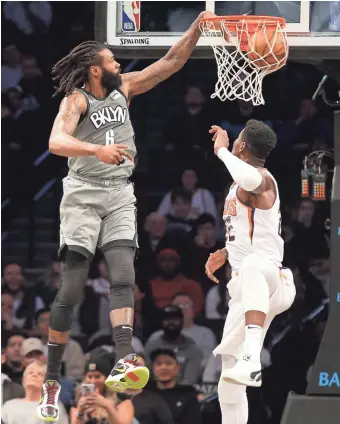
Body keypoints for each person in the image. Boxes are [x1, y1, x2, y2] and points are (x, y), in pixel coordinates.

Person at [38, 9, 215, 421]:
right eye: (112, 61)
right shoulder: (76, 100)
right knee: (72, 290)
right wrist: (96, 150)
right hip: (82, 194)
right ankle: (50, 378)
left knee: (124, 276)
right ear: (95, 70)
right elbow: (55, 141)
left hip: (119, 192)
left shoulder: (126, 88)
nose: (119, 65)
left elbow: (171, 62)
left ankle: (124, 358)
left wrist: (197, 27)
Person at [204, 121, 296, 424]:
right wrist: (226, 251)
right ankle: (245, 363)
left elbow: (249, 177)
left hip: (272, 279)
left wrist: (220, 151)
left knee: (255, 265)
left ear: (241, 146)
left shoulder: (263, 179)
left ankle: (252, 357)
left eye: (236, 140)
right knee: (228, 378)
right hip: (246, 289)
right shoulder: (241, 185)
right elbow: (249, 230)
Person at [145, 305, 203, 385]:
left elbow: (190, 379)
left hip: (183, 393)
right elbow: (147, 374)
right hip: (155, 392)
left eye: (175, 319)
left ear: (182, 322)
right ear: (162, 322)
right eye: (167, 320)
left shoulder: (192, 348)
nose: (171, 323)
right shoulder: (152, 346)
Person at [70, 357, 135, 424]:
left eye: (97, 376)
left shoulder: (121, 400)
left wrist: (107, 405)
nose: (93, 381)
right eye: (89, 377)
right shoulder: (78, 402)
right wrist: (80, 412)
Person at [1, 360, 69, 424]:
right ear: (23, 380)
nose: (34, 375)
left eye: (40, 374)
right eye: (30, 372)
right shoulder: (9, 406)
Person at [148, 348, 202, 424]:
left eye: (168, 363)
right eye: (159, 364)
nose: (163, 367)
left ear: (177, 368)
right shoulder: (145, 392)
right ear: (153, 369)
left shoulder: (188, 394)